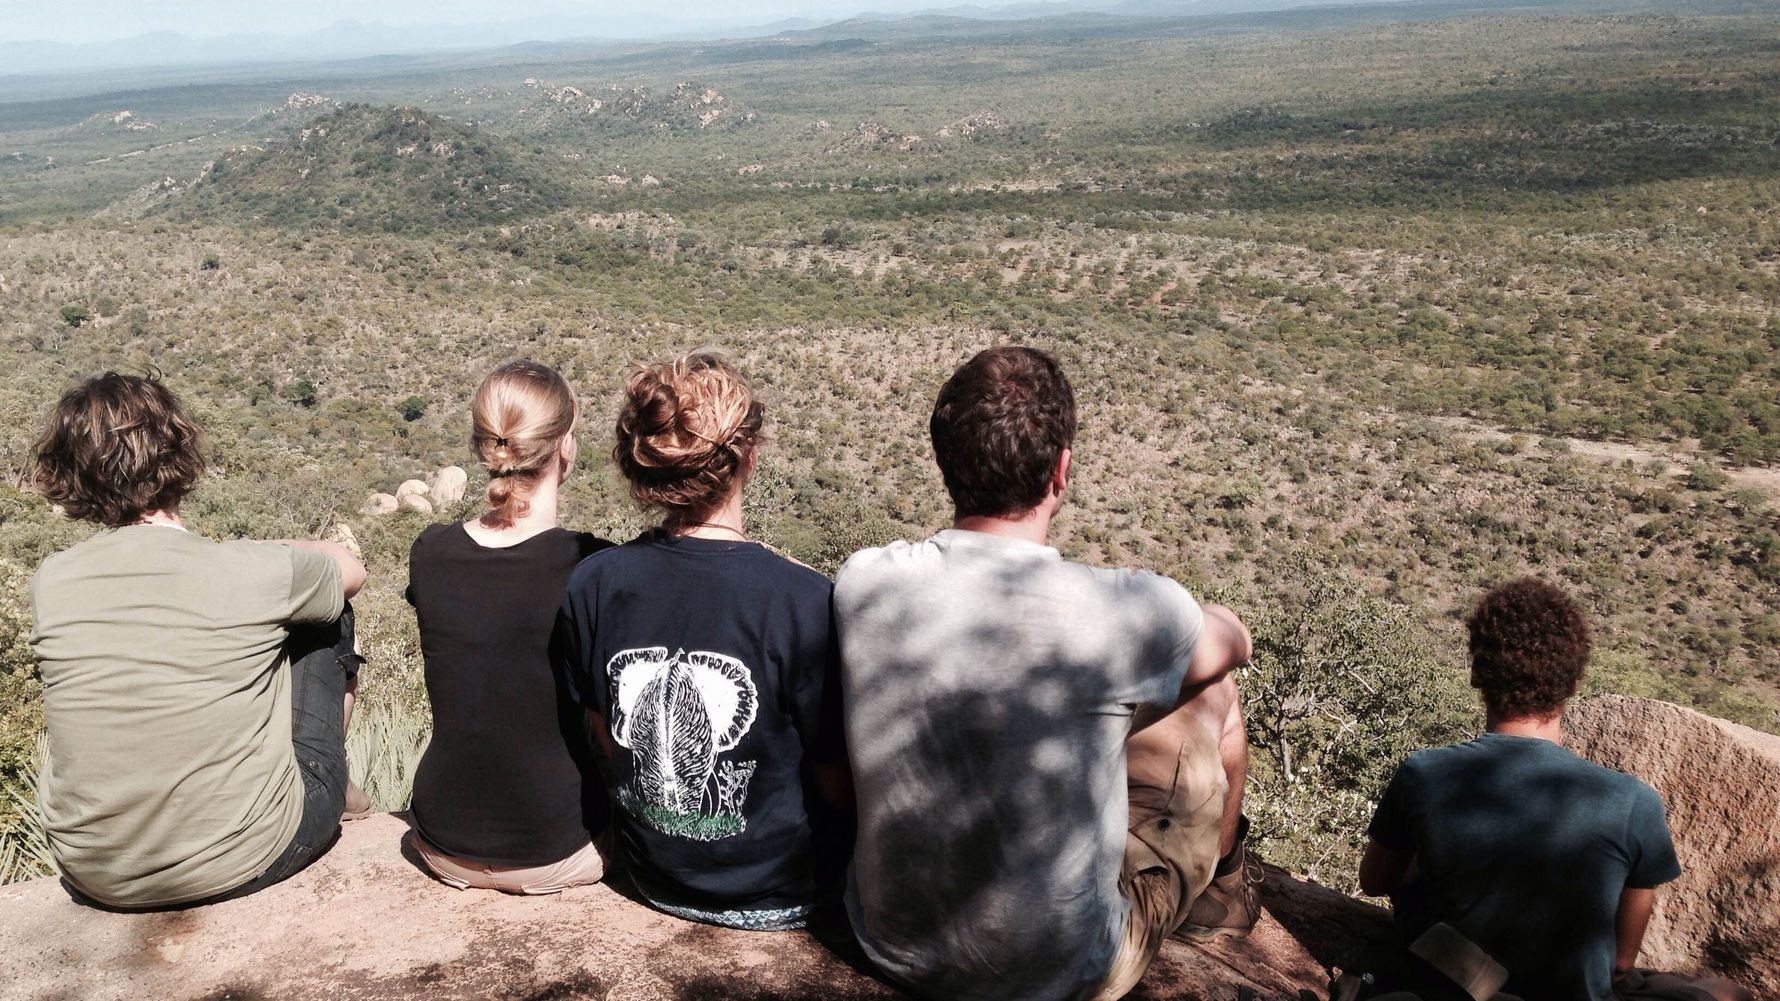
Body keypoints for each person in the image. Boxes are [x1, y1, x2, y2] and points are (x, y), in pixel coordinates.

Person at [835, 345, 1258, 1001]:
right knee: (1216, 693)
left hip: (890, 945)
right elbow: (1235, 644)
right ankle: (1222, 895)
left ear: (944, 460)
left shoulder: (863, 582)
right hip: (1066, 971)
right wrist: (1206, 618)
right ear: (1061, 469)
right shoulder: (1121, 609)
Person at [28, 372, 366, 910]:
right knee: (327, 609)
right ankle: (327, 782)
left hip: (94, 871)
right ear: (179, 453)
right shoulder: (247, 569)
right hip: (245, 853)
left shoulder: (52, 579)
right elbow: (350, 569)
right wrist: (262, 547)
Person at [554, 351, 850, 931]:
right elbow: (836, 783)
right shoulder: (805, 600)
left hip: (653, 878)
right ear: (750, 457)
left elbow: (604, 735)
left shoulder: (594, 582)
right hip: (783, 894)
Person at [1358, 578, 1751, 1001]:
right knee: (1727, 993)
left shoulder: (1424, 773)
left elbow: (1375, 880)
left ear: (1477, 675)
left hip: (1449, 987)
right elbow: (1621, 963)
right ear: (1574, 683)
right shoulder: (1634, 803)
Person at [405, 361, 613, 893]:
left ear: (484, 445)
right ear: (565, 446)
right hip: (556, 845)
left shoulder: (430, 551)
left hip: (441, 841)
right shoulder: (593, 566)